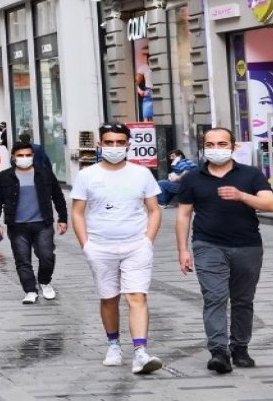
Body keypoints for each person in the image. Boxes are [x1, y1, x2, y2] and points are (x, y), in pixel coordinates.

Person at [176, 128, 273, 374]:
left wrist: (242, 195)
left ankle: (240, 348)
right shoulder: (192, 178)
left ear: (232, 147)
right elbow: (183, 215)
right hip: (207, 245)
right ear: (203, 147)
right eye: (210, 144)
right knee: (214, 297)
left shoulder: (250, 174)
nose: (216, 148)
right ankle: (219, 352)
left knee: (243, 300)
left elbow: (270, 203)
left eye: (222, 144)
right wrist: (183, 250)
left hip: (247, 245)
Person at [71, 123, 163, 375]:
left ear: (128, 144)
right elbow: (77, 213)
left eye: (120, 142)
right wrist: (86, 245)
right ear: (100, 145)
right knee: (109, 298)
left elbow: (154, 210)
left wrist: (147, 241)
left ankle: (140, 353)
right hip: (100, 246)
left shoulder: (141, 174)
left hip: (136, 245)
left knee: (137, 296)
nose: (115, 147)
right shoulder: (87, 175)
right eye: (109, 142)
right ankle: (113, 344)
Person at [0, 142, 69, 304]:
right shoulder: (5, 177)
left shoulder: (44, 174)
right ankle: (30, 290)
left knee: (46, 256)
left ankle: (45, 282)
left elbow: (58, 196)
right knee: (22, 259)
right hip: (17, 225)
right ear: (13, 157)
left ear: (33, 156)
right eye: (20, 155)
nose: (24, 158)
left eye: (28, 155)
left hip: (43, 223)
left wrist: (63, 218)